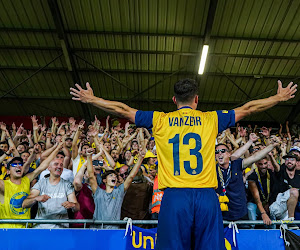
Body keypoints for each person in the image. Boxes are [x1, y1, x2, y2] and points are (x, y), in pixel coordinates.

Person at [70, 79, 297, 249]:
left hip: (175, 198)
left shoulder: (160, 120)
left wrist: (92, 99)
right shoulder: (211, 119)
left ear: (174, 101)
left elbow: (123, 110)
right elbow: (248, 109)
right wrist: (277, 98)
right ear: (196, 100)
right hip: (207, 198)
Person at [0, 143, 64, 228]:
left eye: (20, 164)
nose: (18, 166)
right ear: (8, 171)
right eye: (14, 164)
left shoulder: (26, 180)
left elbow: (43, 166)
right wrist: (7, 154)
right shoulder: (3, 184)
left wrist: (57, 149)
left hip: (26, 228)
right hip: (7, 229)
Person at [22, 150, 80, 229]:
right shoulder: (40, 183)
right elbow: (25, 204)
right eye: (56, 164)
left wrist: (72, 205)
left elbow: (77, 207)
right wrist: (36, 198)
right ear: (49, 168)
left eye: (61, 165)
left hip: (61, 229)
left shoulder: (67, 185)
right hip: (41, 228)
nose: (59, 167)